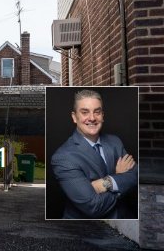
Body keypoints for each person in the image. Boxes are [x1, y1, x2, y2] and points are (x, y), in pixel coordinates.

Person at [50, 89, 137, 219]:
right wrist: (120, 178)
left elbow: (136, 174)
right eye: (85, 112)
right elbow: (93, 207)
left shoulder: (115, 142)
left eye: (97, 112)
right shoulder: (63, 157)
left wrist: (106, 182)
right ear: (74, 117)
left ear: (102, 115)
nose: (92, 118)